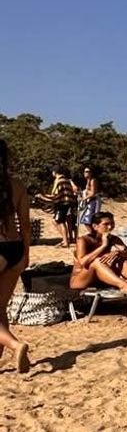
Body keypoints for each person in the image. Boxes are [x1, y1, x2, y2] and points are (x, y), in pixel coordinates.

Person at [0, 139, 31, 373]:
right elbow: (26, 225)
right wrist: (26, 255)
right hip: (16, 249)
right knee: (0, 308)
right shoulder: (17, 185)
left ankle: (15, 344)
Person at [70, 211, 127, 292]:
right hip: (80, 280)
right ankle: (124, 286)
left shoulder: (112, 238)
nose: (110, 227)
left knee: (121, 258)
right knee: (97, 261)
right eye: (106, 224)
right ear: (95, 226)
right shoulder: (83, 240)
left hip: (100, 279)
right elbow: (82, 262)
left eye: (112, 224)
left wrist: (119, 252)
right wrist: (103, 246)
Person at [47, 166, 78, 247]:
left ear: (55, 172)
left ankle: (65, 241)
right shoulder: (66, 180)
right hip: (68, 203)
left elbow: (55, 194)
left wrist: (43, 197)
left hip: (62, 203)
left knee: (58, 221)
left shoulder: (58, 180)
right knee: (60, 221)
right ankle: (65, 239)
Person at [77, 165, 102, 235]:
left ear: (91, 173)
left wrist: (83, 198)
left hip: (94, 201)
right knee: (87, 219)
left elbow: (93, 193)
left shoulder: (93, 180)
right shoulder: (88, 180)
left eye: (87, 171)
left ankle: (94, 234)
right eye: (85, 171)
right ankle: (93, 233)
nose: (85, 173)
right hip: (90, 201)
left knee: (89, 219)